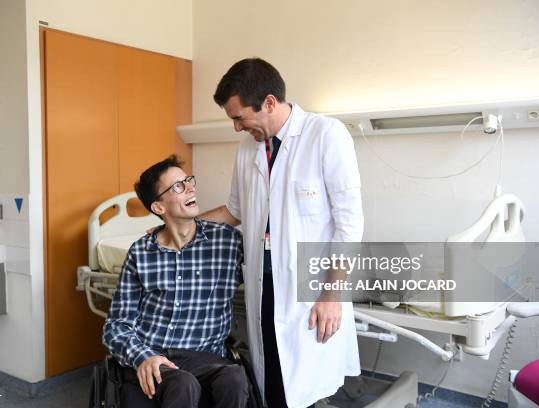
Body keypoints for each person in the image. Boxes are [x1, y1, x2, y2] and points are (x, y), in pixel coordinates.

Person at [201, 58, 363, 408]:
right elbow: (235, 211)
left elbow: (349, 224)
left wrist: (332, 295)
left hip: (313, 287)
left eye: (238, 117)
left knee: (306, 386)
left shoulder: (326, 135)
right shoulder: (247, 149)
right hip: (264, 283)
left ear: (270, 103)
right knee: (271, 381)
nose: (236, 128)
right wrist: (186, 224)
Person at [103, 155, 249, 408]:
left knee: (235, 377)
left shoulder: (228, 243)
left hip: (206, 356)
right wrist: (143, 357)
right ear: (159, 208)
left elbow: (270, 267)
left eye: (188, 181)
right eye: (178, 187)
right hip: (154, 354)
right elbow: (116, 325)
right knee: (182, 384)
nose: (191, 188)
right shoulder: (141, 253)